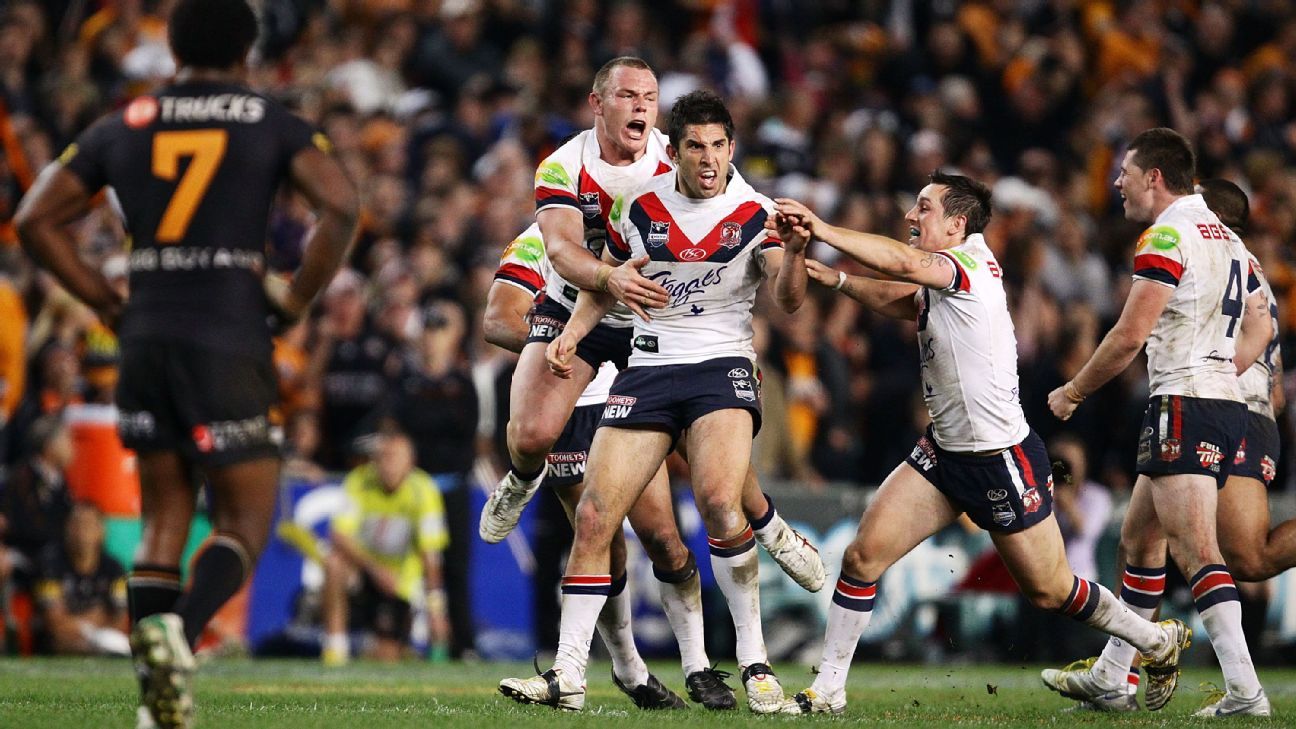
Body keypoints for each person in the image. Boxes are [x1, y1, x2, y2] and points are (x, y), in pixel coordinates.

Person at [14, 1, 358, 727]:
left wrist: (104, 300)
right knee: (246, 515)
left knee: (163, 520)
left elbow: (35, 219)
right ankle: (182, 630)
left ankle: (152, 700)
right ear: (246, 50)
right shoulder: (266, 120)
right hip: (227, 331)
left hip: (144, 333)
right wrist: (294, 299)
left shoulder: (125, 122)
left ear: (173, 51)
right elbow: (342, 205)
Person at [769, 171, 1189, 717]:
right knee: (862, 556)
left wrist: (824, 228)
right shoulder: (948, 275)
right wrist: (840, 282)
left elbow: (901, 265)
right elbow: (905, 299)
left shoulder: (964, 265)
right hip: (944, 454)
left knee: (1050, 590)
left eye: (923, 208)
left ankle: (1155, 641)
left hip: (1000, 459)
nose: (910, 217)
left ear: (956, 224)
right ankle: (827, 690)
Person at [500, 89, 808, 714]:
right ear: (676, 150)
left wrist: (798, 254)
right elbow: (606, 282)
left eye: (719, 146)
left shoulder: (755, 212)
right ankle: (567, 677)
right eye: (695, 145)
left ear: (731, 149)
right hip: (648, 367)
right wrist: (573, 337)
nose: (707, 159)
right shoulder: (639, 207)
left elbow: (790, 298)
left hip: (719, 366)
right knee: (593, 518)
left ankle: (754, 662)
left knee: (720, 502)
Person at [1039, 130, 1270, 717]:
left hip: (1185, 401)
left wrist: (1073, 391)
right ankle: (1115, 676)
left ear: (1154, 178)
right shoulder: (1232, 241)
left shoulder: (1167, 233)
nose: (1116, 182)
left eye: (1125, 171)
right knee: (1139, 541)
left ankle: (1245, 691)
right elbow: (1260, 327)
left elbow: (1129, 335)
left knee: (1197, 550)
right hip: (1219, 400)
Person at [321, 431, 450, 665]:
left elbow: (430, 555)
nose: (388, 466)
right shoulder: (360, 482)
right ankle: (335, 649)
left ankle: (404, 643)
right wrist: (375, 569)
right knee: (333, 563)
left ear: (410, 463)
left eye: (395, 458)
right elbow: (339, 534)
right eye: (384, 458)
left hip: (402, 583)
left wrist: (436, 610)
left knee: (387, 656)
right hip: (365, 573)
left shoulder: (424, 490)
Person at [34, 502, 130, 656]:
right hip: (60, 645)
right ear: (67, 528)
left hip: (103, 642)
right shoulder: (50, 565)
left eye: (88, 524)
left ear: (101, 531)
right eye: (76, 524)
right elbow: (55, 623)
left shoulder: (114, 569)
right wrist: (95, 620)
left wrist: (80, 625)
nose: (81, 532)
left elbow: (122, 620)